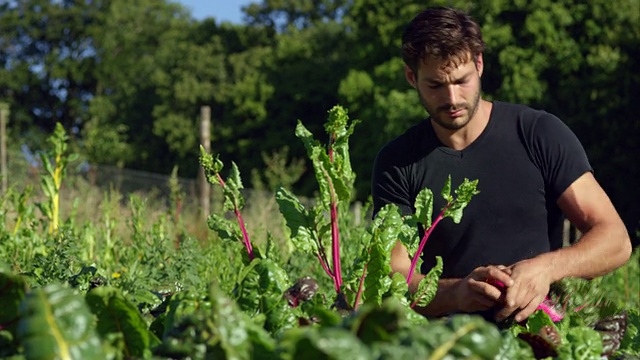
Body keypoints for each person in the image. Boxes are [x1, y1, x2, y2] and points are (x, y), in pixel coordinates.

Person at [371, 6, 632, 323]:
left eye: (462, 81)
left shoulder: (538, 134)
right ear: (411, 77)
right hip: (447, 342)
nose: (452, 98)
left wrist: (545, 267)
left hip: (539, 332)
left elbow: (615, 239)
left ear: (479, 64)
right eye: (436, 85)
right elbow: (393, 275)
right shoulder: (397, 162)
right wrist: (458, 293)